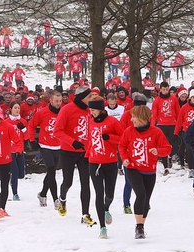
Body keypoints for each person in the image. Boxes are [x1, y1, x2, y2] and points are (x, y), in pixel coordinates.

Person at [119, 105, 171, 239]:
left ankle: (142, 226)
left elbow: (167, 148)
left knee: (146, 199)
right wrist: (124, 159)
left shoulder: (156, 132)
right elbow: (122, 146)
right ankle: (138, 226)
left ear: (142, 118)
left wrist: (157, 151)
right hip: (132, 168)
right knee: (140, 194)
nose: (131, 120)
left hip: (149, 171)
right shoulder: (129, 131)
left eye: (134, 117)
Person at [54, 86, 96, 225]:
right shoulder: (67, 109)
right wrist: (72, 142)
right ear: (82, 98)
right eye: (89, 97)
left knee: (86, 184)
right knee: (68, 182)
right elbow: (57, 131)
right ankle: (63, 199)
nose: (91, 99)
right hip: (68, 152)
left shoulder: (90, 111)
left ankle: (85, 214)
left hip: (85, 153)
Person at [86, 96, 124, 238]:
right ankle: (102, 227)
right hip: (94, 162)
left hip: (110, 162)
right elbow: (90, 140)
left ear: (101, 110)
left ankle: (106, 208)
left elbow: (123, 138)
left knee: (109, 194)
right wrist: (87, 156)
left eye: (94, 110)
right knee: (98, 193)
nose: (92, 113)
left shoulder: (113, 122)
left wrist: (110, 138)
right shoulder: (90, 122)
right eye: (90, 110)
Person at [29, 90, 62, 208]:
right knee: (52, 170)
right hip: (45, 145)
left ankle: (42, 194)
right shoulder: (42, 112)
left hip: (58, 146)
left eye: (60, 101)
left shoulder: (63, 113)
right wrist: (32, 140)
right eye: (56, 101)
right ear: (51, 100)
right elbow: (31, 125)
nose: (58, 103)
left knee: (50, 172)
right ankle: (55, 199)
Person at [151, 81, 180, 176]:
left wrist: (178, 125)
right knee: (162, 145)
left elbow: (178, 112)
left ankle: (171, 157)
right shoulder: (157, 100)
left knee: (173, 144)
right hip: (161, 124)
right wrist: (152, 126)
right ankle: (165, 166)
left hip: (172, 124)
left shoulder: (174, 99)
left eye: (167, 89)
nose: (165, 91)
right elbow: (154, 114)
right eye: (163, 89)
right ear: (160, 89)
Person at [174, 89, 194, 174]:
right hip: (187, 131)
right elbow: (180, 120)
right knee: (189, 149)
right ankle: (191, 168)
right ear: (190, 97)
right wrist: (176, 131)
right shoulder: (184, 107)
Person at [5, 102, 28, 201]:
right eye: (15, 108)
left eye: (18, 108)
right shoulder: (6, 122)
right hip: (10, 150)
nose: (17, 110)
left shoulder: (22, 121)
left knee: (21, 174)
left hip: (20, 150)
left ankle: (11, 180)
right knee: (14, 172)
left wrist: (23, 129)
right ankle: (15, 193)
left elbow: (27, 136)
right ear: (10, 109)